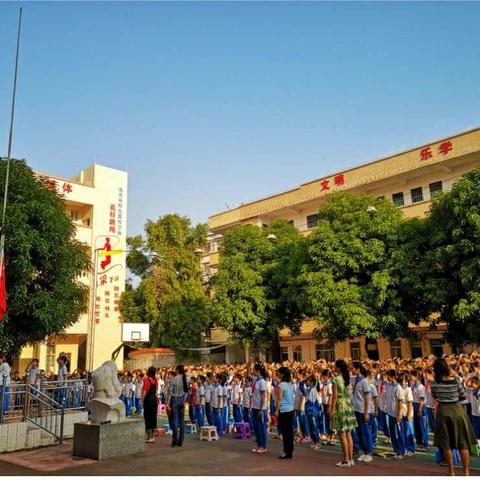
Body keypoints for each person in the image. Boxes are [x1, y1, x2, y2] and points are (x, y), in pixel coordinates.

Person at [430, 358, 476, 476]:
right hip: (457, 411)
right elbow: (464, 395)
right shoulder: (456, 380)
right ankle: (466, 472)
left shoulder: (434, 383)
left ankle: (451, 472)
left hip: (443, 411)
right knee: (463, 443)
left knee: (446, 444)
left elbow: (435, 396)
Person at [330, 359, 357, 468]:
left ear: (338, 368)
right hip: (348, 406)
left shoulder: (336, 380)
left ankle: (346, 460)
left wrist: (331, 410)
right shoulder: (347, 379)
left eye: (335, 365)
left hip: (340, 406)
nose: (333, 366)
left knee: (342, 434)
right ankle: (350, 459)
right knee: (348, 434)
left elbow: (335, 396)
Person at [351, 361, 373, 463]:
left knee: (365, 431)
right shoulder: (355, 379)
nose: (351, 370)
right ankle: (363, 451)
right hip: (356, 409)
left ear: (358, 369)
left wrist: (366, 412)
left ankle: (369, 452)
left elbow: (367, 397)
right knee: (359, 432)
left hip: (362, 410)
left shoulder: (364, 381)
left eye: (353, 368)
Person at [275, 366, 294, 459]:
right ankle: (289, 451)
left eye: (278, 372)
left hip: (284, 410)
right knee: (289, 432)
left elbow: (279, 398)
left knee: (285, 432)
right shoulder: (289, 384)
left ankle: (287, 452)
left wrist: (276, 410)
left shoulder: (281, 385)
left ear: (282, 374)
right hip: (290, 409)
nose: (277, 373)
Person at [167, 365, 188, 448]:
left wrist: (168, 403)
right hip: (182, 400)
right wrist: (184, 399)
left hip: (175, 399)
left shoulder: (173, 379)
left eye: (175, 369)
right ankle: (181, 441)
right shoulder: (184, 379)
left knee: (175, 421)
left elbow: (170, 393)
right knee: (182, 421)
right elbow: (187, 392)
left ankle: (174, 441)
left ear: (178, 370)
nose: (175, 371)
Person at [251, 363, 268, 454]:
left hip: (260, 408)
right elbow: (247, 374)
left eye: (254, 370)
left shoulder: (262, 382)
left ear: (258, 371)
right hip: (254, 406)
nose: (252, 371)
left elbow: (263, 396)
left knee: (261, 427)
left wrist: (261, 409)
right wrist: (250, 363)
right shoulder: (256, 380)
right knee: (256, 427)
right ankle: (258, 444)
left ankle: (263, 446)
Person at [141, 366, 158, 443]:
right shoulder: (156, 380)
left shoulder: (146, 380)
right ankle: (152, 436)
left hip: (148, 401)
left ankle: (148, 437)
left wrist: (142, 401)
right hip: (154, 401)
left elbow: (145, 391)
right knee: (153, 418)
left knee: (147, 418)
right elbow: (156, 391)